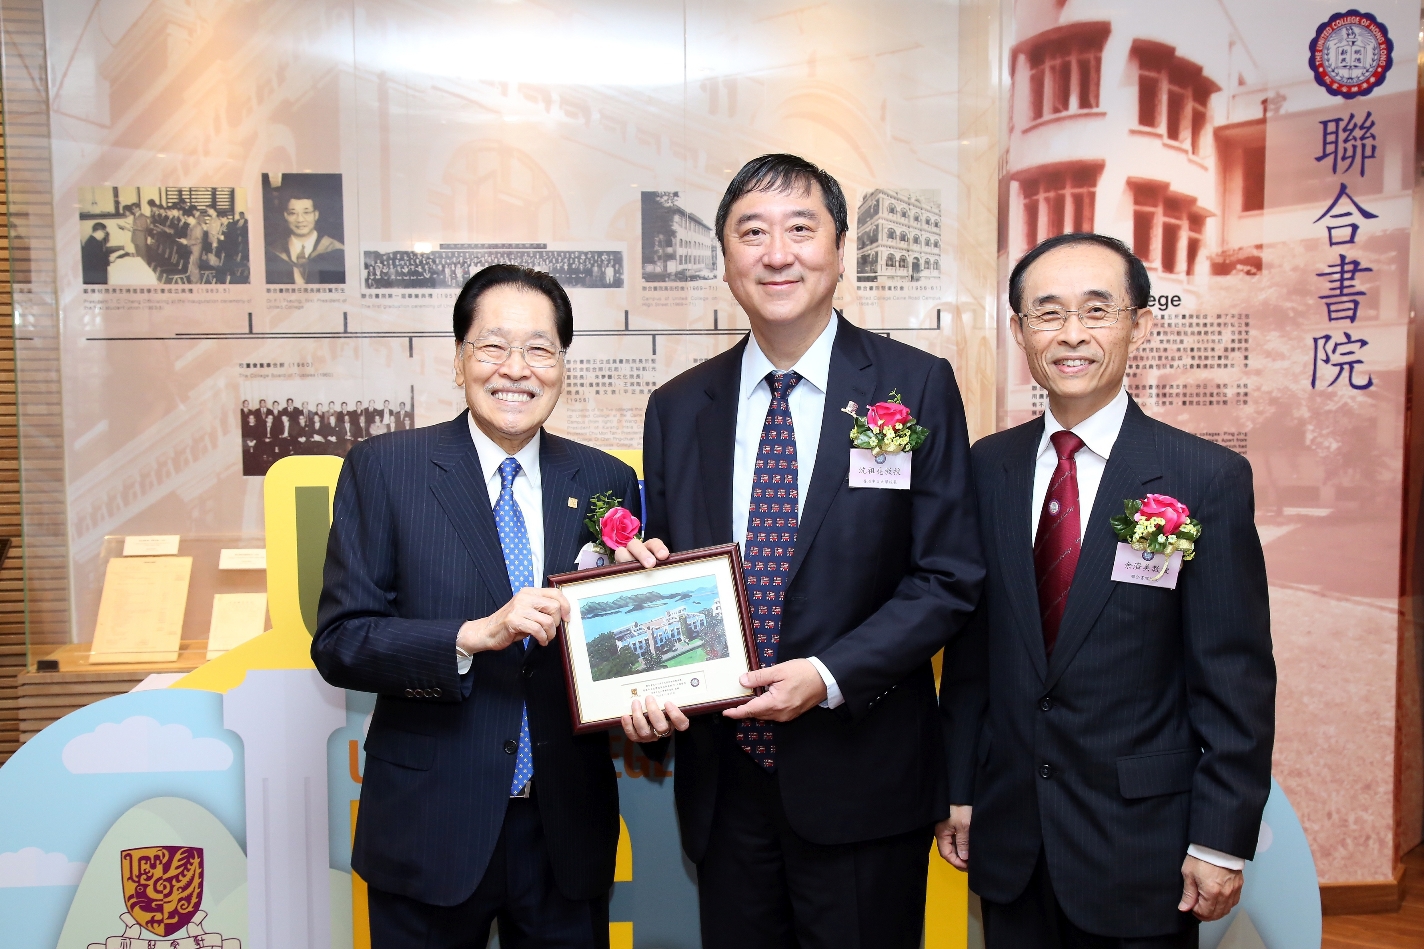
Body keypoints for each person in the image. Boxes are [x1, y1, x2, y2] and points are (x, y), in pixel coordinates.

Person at [618, 154, 984, 948]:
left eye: (800, 228)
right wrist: (643, 664)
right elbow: (673, 578)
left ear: (841, 247)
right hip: (725, 781)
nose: (776, 253)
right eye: (752, 232)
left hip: (863, 773)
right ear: (725, 258)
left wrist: (825, 676)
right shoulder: (678, 408)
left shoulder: (914, 387)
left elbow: (948, 576)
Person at [936, 233, 1274, 948]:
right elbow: (973, 658)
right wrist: (961, 788)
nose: (1072, 335)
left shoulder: (1203, 477)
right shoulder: (987, 467)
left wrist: (1219, 840)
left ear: (1139, 323)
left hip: (1141, 842)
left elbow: (1234, 677)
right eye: (1048, 313)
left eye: (1097, 310)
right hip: (1011, 835)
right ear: (1020, 329)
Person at [312, 265, 637, 949]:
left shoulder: (608, 480)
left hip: (564, 834)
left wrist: (648, 693)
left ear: (562, 365)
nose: (515, 368)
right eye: (492, 346)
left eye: (540, 349)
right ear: (458, 359)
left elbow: (617, 645)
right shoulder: (385, 468)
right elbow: (341, 639)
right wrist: (468, 636)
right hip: (430, 826)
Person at [265, 190, 346, 284]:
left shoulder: (336, 250)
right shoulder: (273, 253)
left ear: (316, 215)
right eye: (293, 213)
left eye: (306, 213)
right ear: (285, 215)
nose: (300, 219)